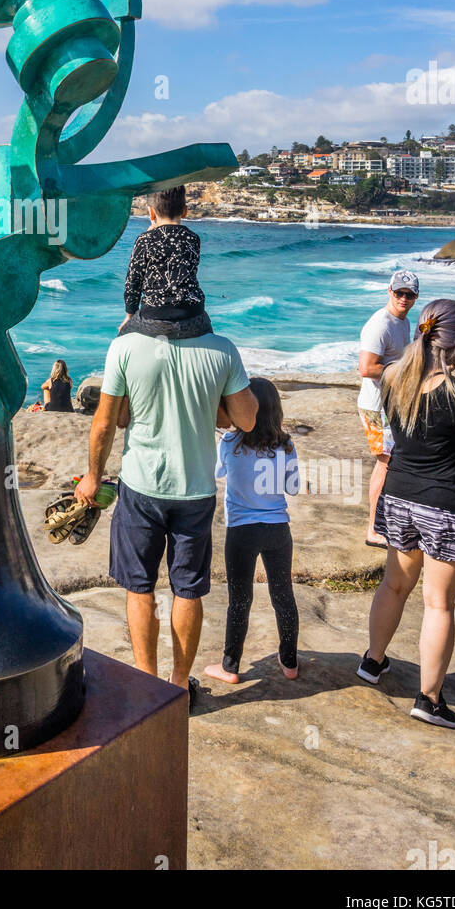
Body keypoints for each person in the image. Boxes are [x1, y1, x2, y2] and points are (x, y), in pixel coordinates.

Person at [76, 322, 258, 703]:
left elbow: (110, 420)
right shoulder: (222, 349)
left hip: (142, 486)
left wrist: (93, 476)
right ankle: (178, 686)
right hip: (195, 489)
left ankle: (147, 686)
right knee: (187, 589)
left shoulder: (125, 346)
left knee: (140, 587)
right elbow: (245, 419)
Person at [357, 298, 455, 728]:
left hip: (399, 497)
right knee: (439, 605)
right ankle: (429, 699)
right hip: (447, 507)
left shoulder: (396, 377)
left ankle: (373, 661)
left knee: (394, 584)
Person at [204, 377, 301, 685]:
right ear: (276, 410)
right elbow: (293, 488)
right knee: (283, 595)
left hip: (241, 531)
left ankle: (230, 666)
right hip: (276, 529)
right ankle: (289, 662)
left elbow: (217, 472)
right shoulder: (285, 443)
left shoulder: (230, 442)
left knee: (240, 600)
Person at [358, 269, 418, 548]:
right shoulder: (380, 324)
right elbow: (366, 368)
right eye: (399, 292)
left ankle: (390, 520)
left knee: (394, 462)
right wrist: (404, 370)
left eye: (409, 294)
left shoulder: (402, 322)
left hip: (391, 404)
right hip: (375, 407)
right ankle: (373, 529)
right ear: (389, 291)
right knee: (384, 463)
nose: (403, 298)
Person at [119, 186, 211, 339]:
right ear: (185, 211)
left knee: (122, 337)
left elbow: (133, 282)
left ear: (152, 213)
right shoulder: (193, 238)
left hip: (154, 318)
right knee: (208, 332)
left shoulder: (145, 240)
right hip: (193, 316)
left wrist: (130, 315)